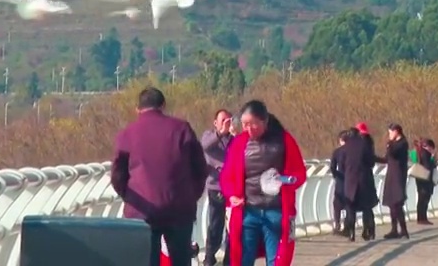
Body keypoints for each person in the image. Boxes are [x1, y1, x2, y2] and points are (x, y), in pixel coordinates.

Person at [111, 86, 207, 266]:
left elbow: (117, 174)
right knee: (180, 260)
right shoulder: (181, 129)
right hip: (179, 208)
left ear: (137, 109)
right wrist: (191, 195)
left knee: (146, 261)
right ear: (163, 105)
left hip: (141, 210)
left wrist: (129, 196)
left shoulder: (127, 134)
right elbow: (200, 168)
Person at [220, 100, 307, 266]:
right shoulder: (239, 143)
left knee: (277, 260)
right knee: (243, 259)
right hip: (247, 212)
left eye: (253, 124)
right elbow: (226, 176)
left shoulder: (284, 140)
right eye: (245, 124)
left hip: (277, 212)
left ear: (264, 121)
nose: (249, 129)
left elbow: (299, 173)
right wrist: (231, 195)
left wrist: (286, 181)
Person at [200, 109, 235, 265]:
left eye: (229, 120)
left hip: (233, 188)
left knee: (232, 226)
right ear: (216, 123)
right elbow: (204, 146)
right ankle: (209, 256)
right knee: (216, 224)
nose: (226, 124)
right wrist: (220, 133)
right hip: (216, 187)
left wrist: (235, 134)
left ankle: (229, 258)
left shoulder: (234, 139)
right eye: (223, 121)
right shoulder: (209, 136)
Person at [337, 126, 378, 242]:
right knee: (366, 207)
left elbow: (341, 164)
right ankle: (367, 231)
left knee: (350, 207)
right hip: (364, 180)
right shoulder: (364, 145)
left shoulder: (345, 148)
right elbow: (371, 162)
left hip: (350, 180)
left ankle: (351, 232)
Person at [378, 123, 410, 239]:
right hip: (391, 175)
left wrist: (389, 144)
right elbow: (387, 158)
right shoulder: (393, 144)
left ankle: (403, 230)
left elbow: (393, 154)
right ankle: (394, 229)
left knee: (397, 203)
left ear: (397, 131)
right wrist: (373, 158)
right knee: (392, 204)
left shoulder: (402, 144)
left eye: (391, 132)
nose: (389, 134)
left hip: (398, 176)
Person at [329, 130, 349, 235]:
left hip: (340, 179)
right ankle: (348, 225)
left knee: (337, 203)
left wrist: (336, 175)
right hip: (351, 180)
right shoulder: (352, 151)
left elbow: (332, 167)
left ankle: (337, 224)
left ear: (340, 140)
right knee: (349, 203)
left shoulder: (337, 152)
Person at [414, 138, 438, 225]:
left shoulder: (419, 152)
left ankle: (421, 218)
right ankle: (422, 218)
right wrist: (432, 159)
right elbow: (428, 166)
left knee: (421, 198)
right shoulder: (425, 154)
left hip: (420, 178)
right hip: (426, 179)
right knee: (424, 199)